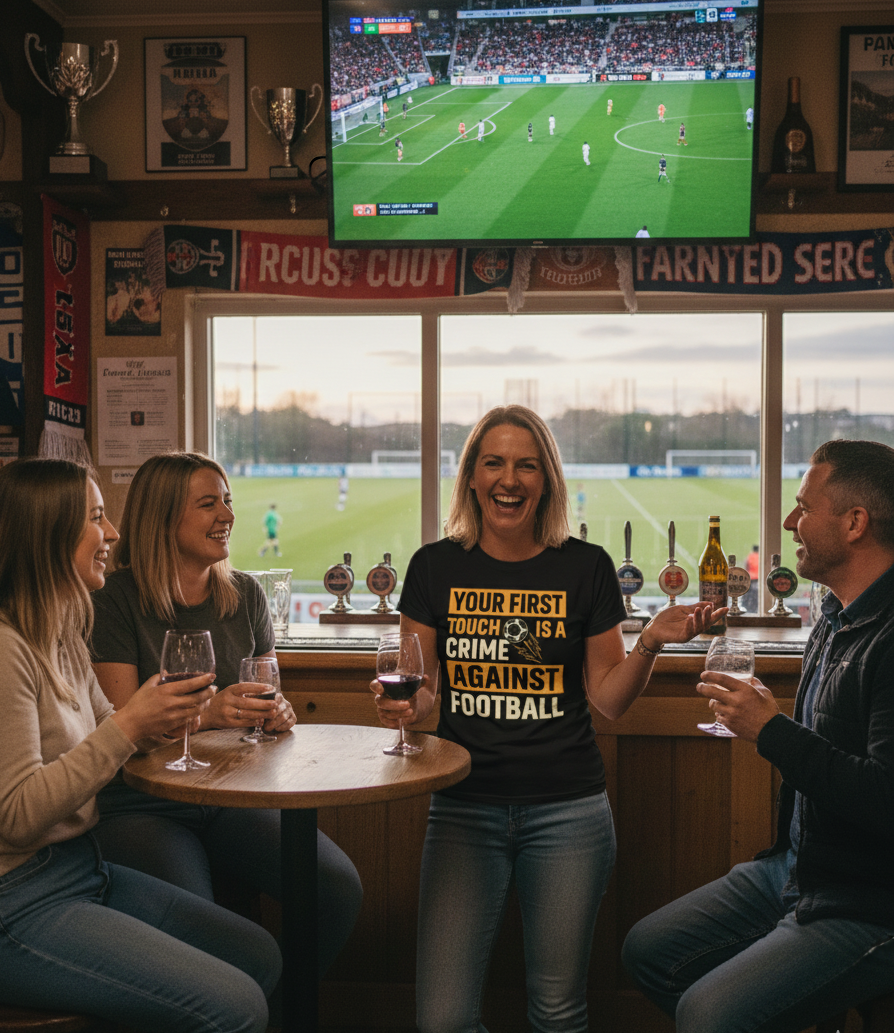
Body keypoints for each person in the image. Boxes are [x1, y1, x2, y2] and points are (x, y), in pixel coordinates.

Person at [371, 405, 725, 1033]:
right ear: (473, 479)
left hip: (568, 813)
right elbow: (426, 699)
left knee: (558, 1012)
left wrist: (651, 641)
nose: (511, 479)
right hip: (462, 808)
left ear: (547, 480)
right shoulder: (434, 566)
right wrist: (406, 707)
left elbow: (609, 701)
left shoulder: (584, 566)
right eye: (495, 463)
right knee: (442, 1019)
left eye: (527, 465)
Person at [623, 439, 894, 1033]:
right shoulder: (833, 614)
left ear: (854, 523)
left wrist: (771, 731)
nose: (790, 521)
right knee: (648, 952)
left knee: (705, 1014)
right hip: (800, 870)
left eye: (803, 507)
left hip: (867, 901)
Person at [0, 458, 281, 1032]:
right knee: (238, 1006)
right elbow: (18, 816)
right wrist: (132, 725)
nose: (112, 534)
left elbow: (117, 732)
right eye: (97, 519)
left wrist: (167, 717)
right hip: (20, 898)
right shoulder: (8, 652)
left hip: (81, 867)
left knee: (260, 955)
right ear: (49, 534)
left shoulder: (61, 633)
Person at [89, 451, 362, 978]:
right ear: (163, 519)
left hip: (234, 796)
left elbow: (266, 691)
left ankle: (275, 1013)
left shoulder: (246, 595)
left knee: (336, 889)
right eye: (208, 504)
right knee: (208, 939)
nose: (228, 516)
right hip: (141, 805)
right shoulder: (113, 601)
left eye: (228, 501)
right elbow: (119, 727)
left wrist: (275, 714)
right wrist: (211, 712)